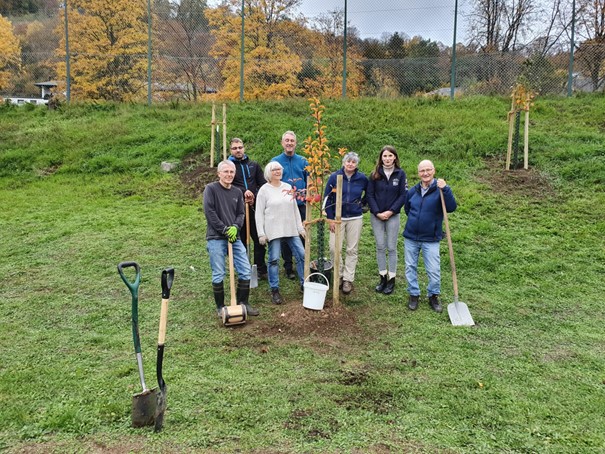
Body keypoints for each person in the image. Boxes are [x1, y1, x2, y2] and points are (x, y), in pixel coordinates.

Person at [203, 160, 259, 317]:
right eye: (226, 172)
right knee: (219, 272)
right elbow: (209, 211)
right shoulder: (211, 189)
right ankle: (220, 308)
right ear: (219, 173)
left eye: (231, 172)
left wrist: (235, 227)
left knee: (245, 270)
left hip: (234, 239)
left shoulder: (236, 192)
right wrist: (224, 229)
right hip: (216, 238)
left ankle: (244, 303)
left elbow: (241, 214)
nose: (229, 175)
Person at [403, 159, 457, 313]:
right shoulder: (413, 191)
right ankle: (413, 294)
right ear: (418, 173)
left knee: (433, 269)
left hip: (431, 238)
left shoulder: (440, 190)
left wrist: (445, 189)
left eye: (428, 170)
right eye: (422, 171)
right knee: (410, 267)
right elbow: (407, 209)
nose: (425, 173)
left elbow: (452, 207)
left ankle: (433, 295)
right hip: (411, 237)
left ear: (433, 170)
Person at [255, 161, 307, 305]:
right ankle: (275, 289)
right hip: (274, 230)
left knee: (302, 255)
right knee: (273, 259)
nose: (278, 171)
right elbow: (258, 214)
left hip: (290, 228)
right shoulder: (264, 190)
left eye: (279, 169)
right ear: (268, 173)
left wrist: (300, 228)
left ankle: (305, 284)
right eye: (274, 170)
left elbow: (295, 210)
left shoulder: (288, 187)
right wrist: (261, 233)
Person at [323, 152, 368, 295]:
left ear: (356, 164)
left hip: (355, 218)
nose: (350, 164)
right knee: (333, 247)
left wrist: (363, 205)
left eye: (353, 162)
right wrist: (330, 218)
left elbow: (369, 194)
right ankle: (339, 274)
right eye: (348, 161)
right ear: (343, 163)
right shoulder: (334, 177)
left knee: (352, 249)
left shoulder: (362, 178)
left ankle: (348, 278)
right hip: (338, 218)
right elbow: (327, 198)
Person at [366, 146, 408, 295]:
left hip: (393, 216)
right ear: (381, 158)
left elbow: (403, 195)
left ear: (395, 157)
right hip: (376, 216)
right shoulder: (374, 174)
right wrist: (377, 212)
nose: (388, 158)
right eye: (385, 156)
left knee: (391, 247)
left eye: (390, 156)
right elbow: (369, 195)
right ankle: (382, 276)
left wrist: (390, 212)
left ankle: (392, 279)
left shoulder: (401, 174)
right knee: (380, 246)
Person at [271, 131, 309, 280]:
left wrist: (308, 197)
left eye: (292, 141)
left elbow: (309, 180)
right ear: (282, 143)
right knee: (286, 235)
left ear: (295, 143)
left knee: (303, 233)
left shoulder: (303, 161)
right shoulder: (276, 161)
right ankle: (288, 266)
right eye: (286, 140)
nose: (289, 143)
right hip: (284, 206)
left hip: (301, 204)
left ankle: (304, 262)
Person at [228, 137, 267, 279]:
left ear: (243, 148)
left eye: (240, 147)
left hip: (254, 208)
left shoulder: (253, 165)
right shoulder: (229, 167)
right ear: (230, 150)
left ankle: (260, 269)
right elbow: (229, 185)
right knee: (242, 241)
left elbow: (262, 184)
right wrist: (243, 193)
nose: (238, 150)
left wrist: (254, 196)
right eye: (234, 148)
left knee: (259, 239)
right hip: (237, 210)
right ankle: (243, 269)